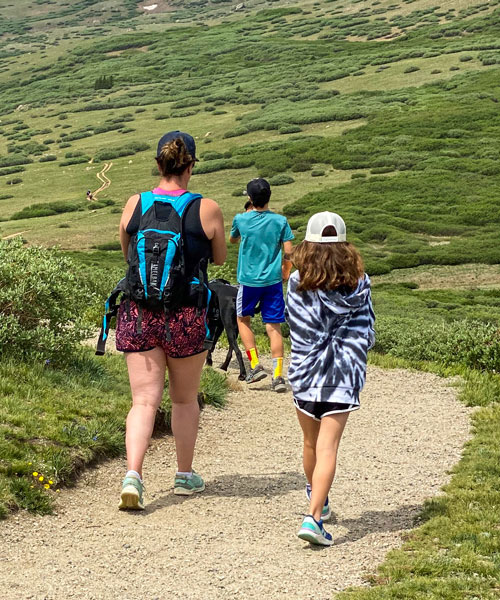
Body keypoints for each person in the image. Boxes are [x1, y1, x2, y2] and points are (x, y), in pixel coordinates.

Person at [115, 131, 226, 510]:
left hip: (139, 311)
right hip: (186, 314)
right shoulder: (206, 208)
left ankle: (133, 474)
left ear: (158, 163)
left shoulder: (136, 203)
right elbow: (221, 258)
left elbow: (128, 252)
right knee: (183, 399)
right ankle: (183, 475)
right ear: (190, 165)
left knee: (143, 401)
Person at [286, 211, 375, 546]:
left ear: (307, 245)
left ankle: (317, 501)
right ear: (345, 246)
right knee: (329, 447)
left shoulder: (295, 282)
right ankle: (313, 518)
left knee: (311, 443)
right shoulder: (360, 284)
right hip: (343, 372)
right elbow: (365, 329)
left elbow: (294, 324)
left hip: (306, 371)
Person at [229, 178, 294, 391]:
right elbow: (289, 250)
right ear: (269, 197)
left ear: (249, 198)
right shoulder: (280, 221)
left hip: (248, 281)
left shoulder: (241, 219)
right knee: (273, 326)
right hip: (273, 281)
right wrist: (286, 270)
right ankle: (278, 377)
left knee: (243, 319)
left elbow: (232, 240)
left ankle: (256, 365)